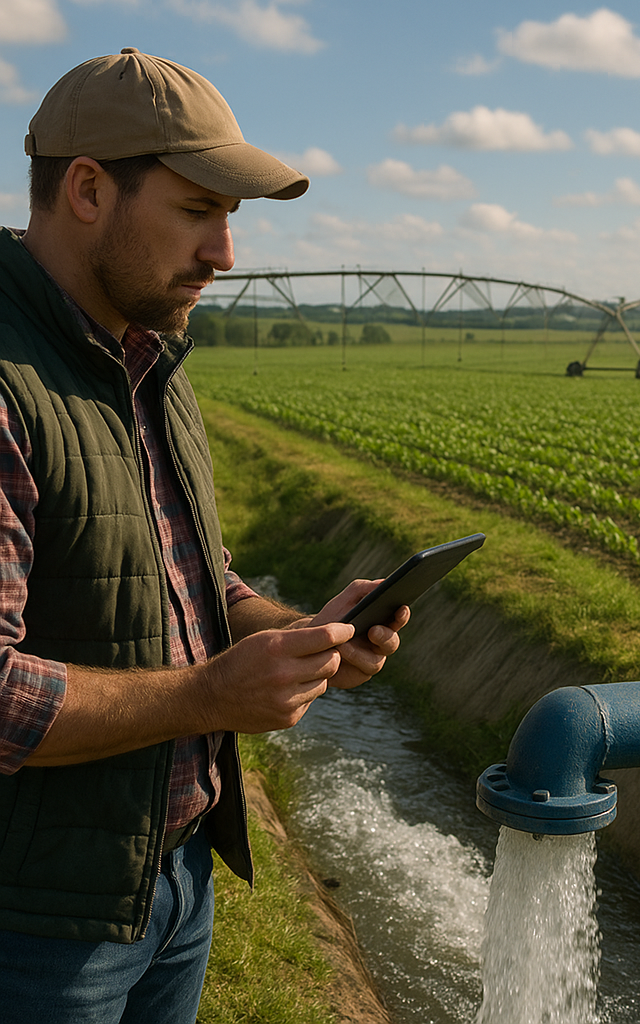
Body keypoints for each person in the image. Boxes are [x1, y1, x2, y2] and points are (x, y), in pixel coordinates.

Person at [0, 48, 409, 1022]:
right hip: (37, 926)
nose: (226, 254)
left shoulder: (150, 358)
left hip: (174, 878)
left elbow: (190, 576)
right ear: (89, 190)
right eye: (198, 212)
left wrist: (297, 631)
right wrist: (209, 694)